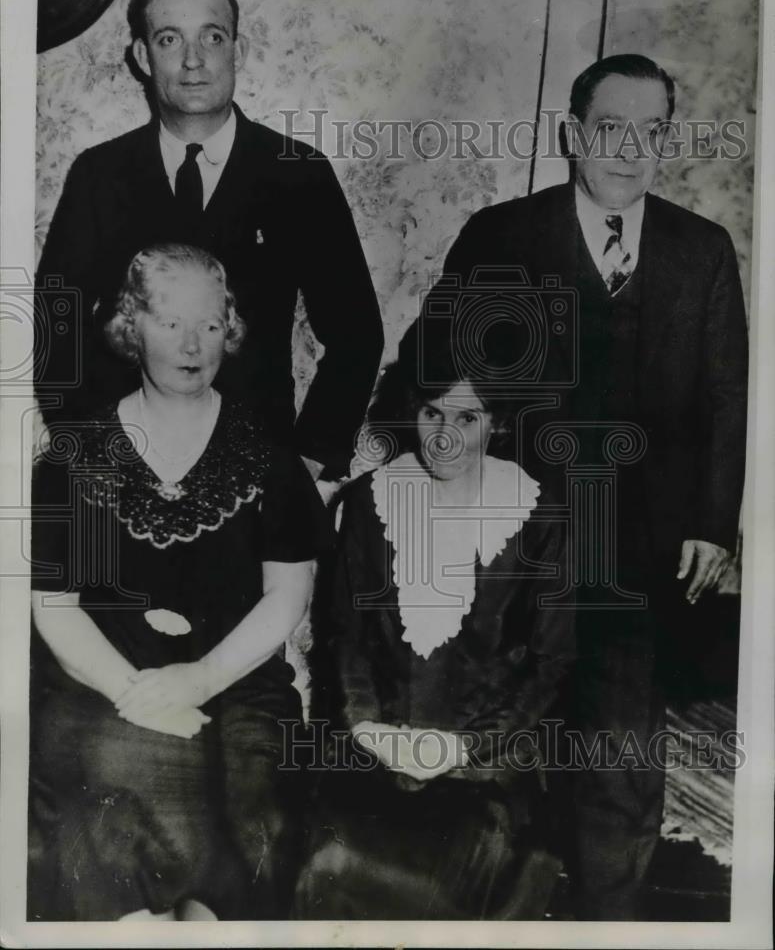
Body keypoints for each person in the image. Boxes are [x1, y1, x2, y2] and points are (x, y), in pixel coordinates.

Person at [400, 54, 749, 919]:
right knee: (494, 751)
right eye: (609, 128)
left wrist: (712, 524)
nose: (630, 149)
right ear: (572, 135)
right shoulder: (503, 235)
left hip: (635, 552)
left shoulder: (700, 251)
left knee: (622, 758)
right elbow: (433, 368)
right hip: (514, 537)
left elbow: (725, 396)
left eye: (650, 131)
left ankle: (609, 926)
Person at [29, 243, 332, 921]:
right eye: (170, 324)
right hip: (101, 683)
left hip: (237, 684)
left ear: (230, 328)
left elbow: (288, 595)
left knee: (258, 808)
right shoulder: (73, 457)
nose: (192, 345)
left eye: (210, 324)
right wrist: (134, 694)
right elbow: (53, 607)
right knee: (126, 775)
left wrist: (198, 679)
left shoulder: (269, 457)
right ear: (132, 327)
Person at [35, 0, 383, 482]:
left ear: (237, 53)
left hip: (258, 468)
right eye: (170, 39)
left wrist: (306, 464)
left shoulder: (297, 173)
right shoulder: (99, 173)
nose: (193, 60)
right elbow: (51, 317)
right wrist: (88, 441)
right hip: (125, 464)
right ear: (141, 56)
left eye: (212, 37)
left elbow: (356, 333)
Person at [295, 338, 575, 920]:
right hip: (376, 747)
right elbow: (345, 638)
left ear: (496, 424)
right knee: (324, 865)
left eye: (467, 417)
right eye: (431, 414)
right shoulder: (372, 502)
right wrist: (370, 730)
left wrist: (464, 746)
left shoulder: (539, 514)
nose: (445, 436)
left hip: (487, 765)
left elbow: (549, 663)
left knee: (466, 871)